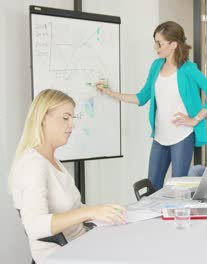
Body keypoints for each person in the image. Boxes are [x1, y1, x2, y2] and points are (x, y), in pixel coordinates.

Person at [97, 21, 207, 191]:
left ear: (173, 45)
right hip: (160, 137)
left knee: (179, 189)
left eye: (159, 43)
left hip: (182, 137)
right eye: (155, 42)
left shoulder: (188, 70)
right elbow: (142, 97)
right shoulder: (156, 66)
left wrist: (195, 119)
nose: (156, 47)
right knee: (152, 188)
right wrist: (112, 93)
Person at [8, 89, 127, 263]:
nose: (72, 125)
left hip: (82, 243)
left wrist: (101, 211)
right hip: (61, 254)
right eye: (65, 118)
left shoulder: (52, 160)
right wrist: (89, 212)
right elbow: (34, 226)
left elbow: (75, 208)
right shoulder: (33, 164)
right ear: (43, 119)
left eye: (72, 118)